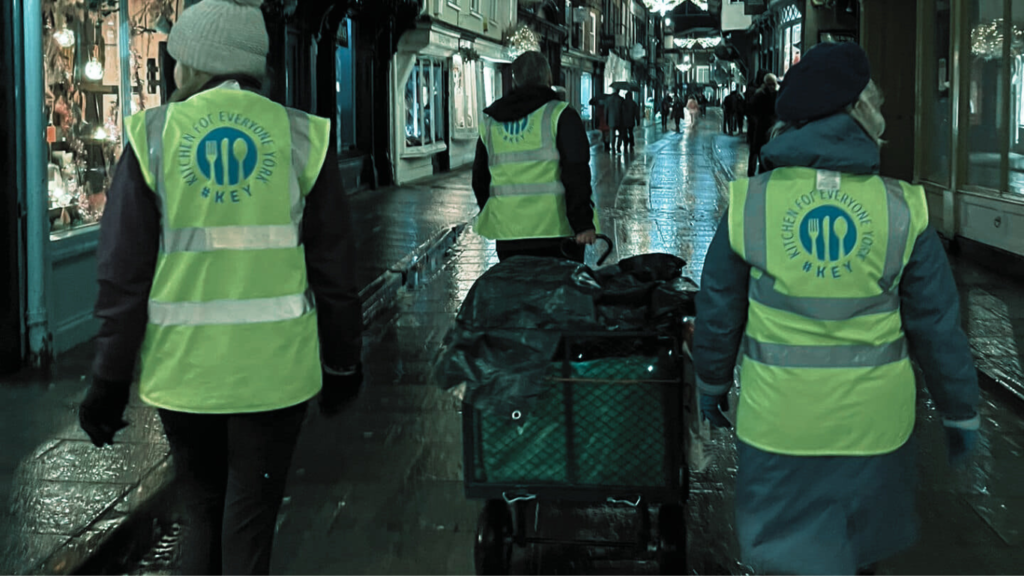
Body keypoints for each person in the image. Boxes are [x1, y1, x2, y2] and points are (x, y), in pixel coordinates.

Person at [76, 0, 364, 574]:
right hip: (275, 375)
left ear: (195, 64)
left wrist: (109, 377)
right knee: (250, 516)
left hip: (186, 375)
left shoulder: (154, 136)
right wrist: (342, 362)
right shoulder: (301, 135)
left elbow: (123, 273)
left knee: (201, 512)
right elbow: (334, 268)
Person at [692, 42, 980, 576]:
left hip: (777, 425)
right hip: (874, 431)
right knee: (856, 557)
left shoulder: (751, 203)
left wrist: (710, 386)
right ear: (859, 113)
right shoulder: (902, 208)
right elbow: (937, 326)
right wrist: (960, 410)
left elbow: (717, 312)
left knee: (787, 561)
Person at [472, 51, 598, 263]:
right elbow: (576, 171)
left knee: (518, 295)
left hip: (508, 235)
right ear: (548, 77)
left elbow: (480, 179)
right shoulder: (560, 114)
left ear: (515, 79)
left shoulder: (491, 122)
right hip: (556, 234)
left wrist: (499, 213)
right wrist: (583, 223)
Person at [747, 72, 779, 176]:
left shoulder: (774, 95)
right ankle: (756, 173)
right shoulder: (760, 96)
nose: (771, 87)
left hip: (769, 129)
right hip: (760, 129)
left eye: (773, 84)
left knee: (761, 152)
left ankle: (761, 173)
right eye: (769, 84)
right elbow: (751, 111)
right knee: (758, 152)